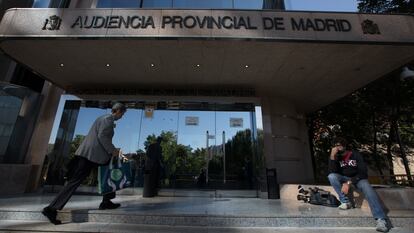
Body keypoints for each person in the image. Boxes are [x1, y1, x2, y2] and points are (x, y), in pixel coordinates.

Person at [42, 102, 127, 225]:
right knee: (75, 181)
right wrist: (112, 151)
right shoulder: (107, 119)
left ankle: (106, 202)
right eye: (122, 114)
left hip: (96, 155)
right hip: (90, 156)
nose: (122, 116)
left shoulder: (103, 119)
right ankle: (51, 209)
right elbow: (102, 136)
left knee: (106, 175)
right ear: (118, 111)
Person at [328, 137, 389, 232]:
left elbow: (363, 173)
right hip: (344, 178)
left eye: (339, 145)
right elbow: (333, 172)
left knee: (367, 186)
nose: (337, 148)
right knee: (331, 176)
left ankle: (381, 219)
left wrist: (349, 182)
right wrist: (332, 156)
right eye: (335, 146)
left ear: (344, 146)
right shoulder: (336, 158)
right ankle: (345, 201)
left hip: (358, 179)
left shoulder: (355, 155)